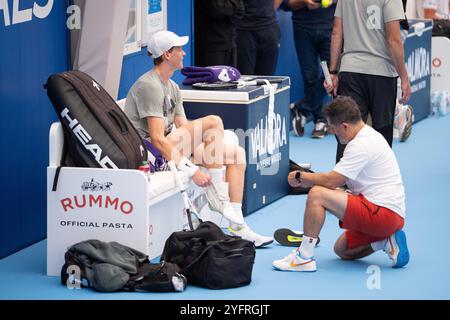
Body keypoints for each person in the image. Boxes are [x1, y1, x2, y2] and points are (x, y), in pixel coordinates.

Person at [124, 30, 273, 248]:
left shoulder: (172, 87)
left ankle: (237, 225)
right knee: (213, 121)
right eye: (179, 50)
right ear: (166, 55)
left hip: (171, 147)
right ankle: (217, 199)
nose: (184, 53)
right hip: (151, 156)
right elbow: (156, 138)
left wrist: (205, 142)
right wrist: (192, 170)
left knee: (237, 155)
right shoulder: (150, 85)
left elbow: (184, 128)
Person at [272, 96, 410, 272]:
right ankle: (385, 241)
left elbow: (331, 180)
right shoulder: (367, 135)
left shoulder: (361, 144)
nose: (334, 133)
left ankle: (304, 257)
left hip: (383, 214)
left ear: (344, 126)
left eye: (335, 129)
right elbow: (338, 184)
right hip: (388, 215)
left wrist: (302, 176)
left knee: (317, 194)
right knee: (343, 250)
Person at [325, 0, 412, 163]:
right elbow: (393, 39)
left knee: (348, 130)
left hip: (350, 71)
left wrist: (333, 72)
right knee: (382, 133)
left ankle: (343, 185)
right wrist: (405, 78)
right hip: (382, 74)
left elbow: (337, 32)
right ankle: (378, 183)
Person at [280, 0, 337, 139]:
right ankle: (320, 120)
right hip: (303, 30)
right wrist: (304, 2)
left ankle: (301, 108)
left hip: (329, 30)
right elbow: (286, 4)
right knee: (310, 76)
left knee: (329, 75)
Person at [235, 0, 281, 75]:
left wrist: (268, 12)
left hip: (269, 28)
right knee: (245, 80)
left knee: (267, 81)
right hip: (243, 30)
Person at [195, 0, 245, 67]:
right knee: (214, 76)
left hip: (231, 42)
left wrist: (229, 9)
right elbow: (218, 9)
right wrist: (234, 6)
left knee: (232, 76)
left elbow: (241, 10)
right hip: (211, 45)